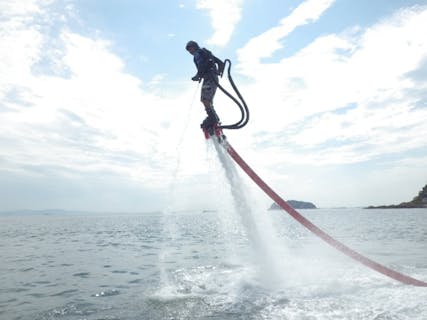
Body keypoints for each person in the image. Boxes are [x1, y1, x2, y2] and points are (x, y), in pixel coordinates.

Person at [185, 40, 224, 130]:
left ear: (195, 47)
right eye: (188, 51)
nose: (190, 52)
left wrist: (198, 75)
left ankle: (213, 118)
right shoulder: (204, 53)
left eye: (190, 49)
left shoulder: (198, 53)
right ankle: (213, 118)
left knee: (205, 99)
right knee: (207, 100)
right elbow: (219, 62)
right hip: (210, 78)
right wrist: (218, 71)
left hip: (210, 78)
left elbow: (203, 65)